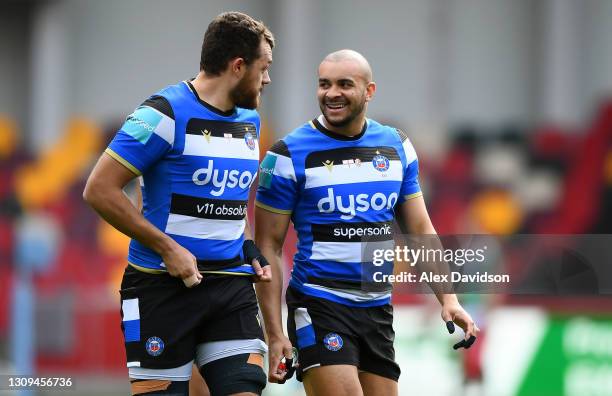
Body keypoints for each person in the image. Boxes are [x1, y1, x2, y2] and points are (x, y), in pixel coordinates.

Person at [254, 49, 480, 395]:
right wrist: (275, 333)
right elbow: (267, 246)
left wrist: (448, 299)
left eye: (345, 84)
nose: (332, 93)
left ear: (369, 91)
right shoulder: (286, 155)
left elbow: (420, 230)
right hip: (319, 304)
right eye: (324, 84)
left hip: (376, 309)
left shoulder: (396, 148)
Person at [83, 12, 274, 396]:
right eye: (264, 68)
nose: (267, 79)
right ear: (238, 67)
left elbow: (232, 199)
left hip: (230, 286)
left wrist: (248, 245)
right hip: (159, 289)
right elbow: (99, 189)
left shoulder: (250, 121)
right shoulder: (161, 113)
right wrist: (168, 248)